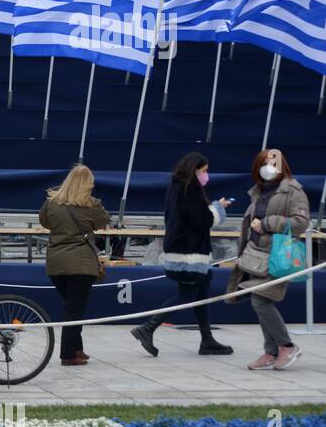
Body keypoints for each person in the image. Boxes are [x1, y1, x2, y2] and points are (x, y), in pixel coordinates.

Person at [131, 151, 235, 357]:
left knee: (202, 288)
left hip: (184, 250)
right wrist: (218, 208)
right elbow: (202, 220)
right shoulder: (189, 190)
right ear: (194, 169)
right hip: (189, 253)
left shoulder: (178, 187)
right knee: (187, 295)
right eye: (204, 170)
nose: (207, 175)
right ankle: (147, 328)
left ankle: (207, 339)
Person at [227, 148, 310, 370]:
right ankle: (271, 352)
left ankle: (286, 346)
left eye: (274, 163)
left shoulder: (293, 190)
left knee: (260, 301)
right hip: (255, 254)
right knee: (260, 300)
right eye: (265, 163)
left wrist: (266, 224)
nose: (269, 168)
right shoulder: (259, 191)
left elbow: (301, 223)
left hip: (277, 256)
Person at [39, 164, 110, 367]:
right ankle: (68, 355)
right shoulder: (91, 204)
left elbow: (44, 222)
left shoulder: (51, 203)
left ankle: (77, 347)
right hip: (81, 264)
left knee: (72, 307)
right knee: (74, 311)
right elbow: (103, 220)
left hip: (55, 263)